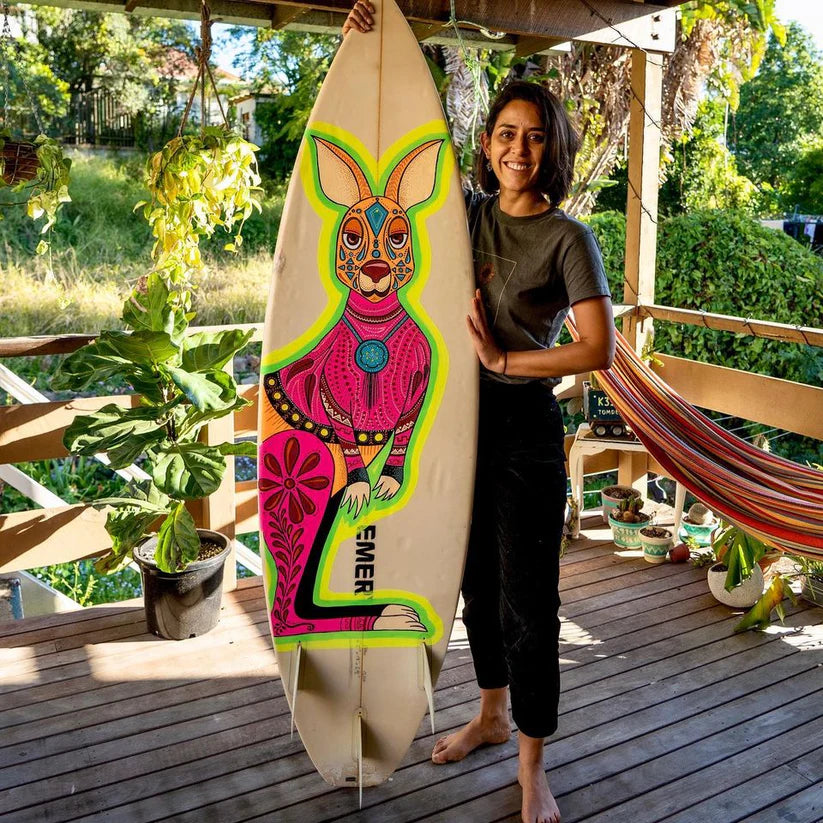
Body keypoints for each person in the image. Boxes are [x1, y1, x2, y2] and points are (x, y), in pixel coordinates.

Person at [344, 5, 616, 822]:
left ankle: (532, 765)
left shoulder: (568, 240)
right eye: (504, 134)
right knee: (469, 584)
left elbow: (596, 350)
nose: (516, 149)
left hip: (522, 429)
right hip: (450, 422)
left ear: (551, 149)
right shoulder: (461, 212)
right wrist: (368, 45)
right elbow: (395, 149)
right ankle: (491, 713)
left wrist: (502, 360)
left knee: (528, 603)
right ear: (487, 143)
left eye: (532, 137)